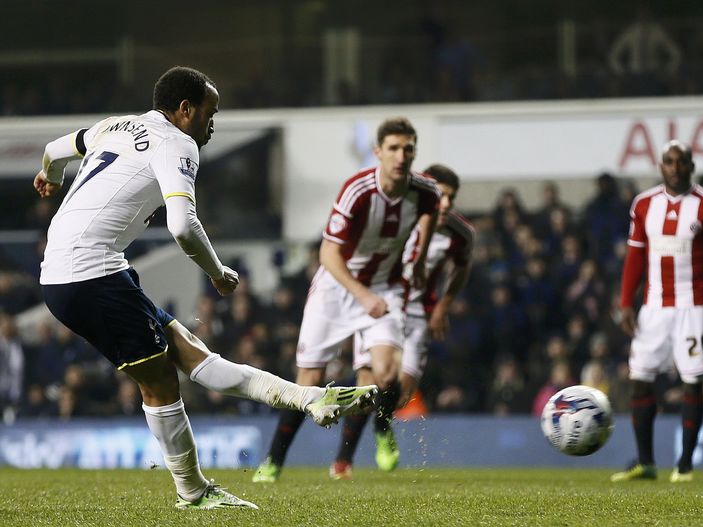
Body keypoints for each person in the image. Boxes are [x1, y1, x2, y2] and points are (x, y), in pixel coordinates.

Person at [33, 66, 377, 510]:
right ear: (184, 109)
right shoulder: (179, 143)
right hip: (87, 274)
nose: (212, 124)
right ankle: (192, 493)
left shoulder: (111, 126)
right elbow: (182, 224)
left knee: (195, 356)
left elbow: (51, 151)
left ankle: (310, 398)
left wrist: (52, 176)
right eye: (209, 113)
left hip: (83, 271)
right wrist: (217, 272)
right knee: (159, 382)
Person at [252, 117, 440, 483]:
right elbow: (328, 254)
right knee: (308, 381)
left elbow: (431, 213)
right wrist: (362, 295)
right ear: (378, 153)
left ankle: (366, 444)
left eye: (408, 149)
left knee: (385, 375)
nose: (402, 156)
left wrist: (417, 258)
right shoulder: (358, 191)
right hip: (338, 288)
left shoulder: (424, 192)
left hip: (384, 287)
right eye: (394, 148)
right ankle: (273, 461)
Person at [329, 163, 474, 480]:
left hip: (418, 313)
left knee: (402, 390)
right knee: (367, 384)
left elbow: (462, 267)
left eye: (451, 198)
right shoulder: (400, 218)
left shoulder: (459, 233)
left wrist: (443, 305)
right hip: (382, 306)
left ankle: (382, 424)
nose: (445, 204)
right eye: (441, 195)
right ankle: (342, 461)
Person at [611, 140, 703, 483]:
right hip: (653, 307)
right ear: (660, 166)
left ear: (691, 166)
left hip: (694, 307)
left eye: (681, 162)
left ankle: (685, 465)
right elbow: (635, 256)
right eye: (669, 161)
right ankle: (646, 463)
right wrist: (624, 302)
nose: (675, 167)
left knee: (692, 381)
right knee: (639, 379)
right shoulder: (643, 205)